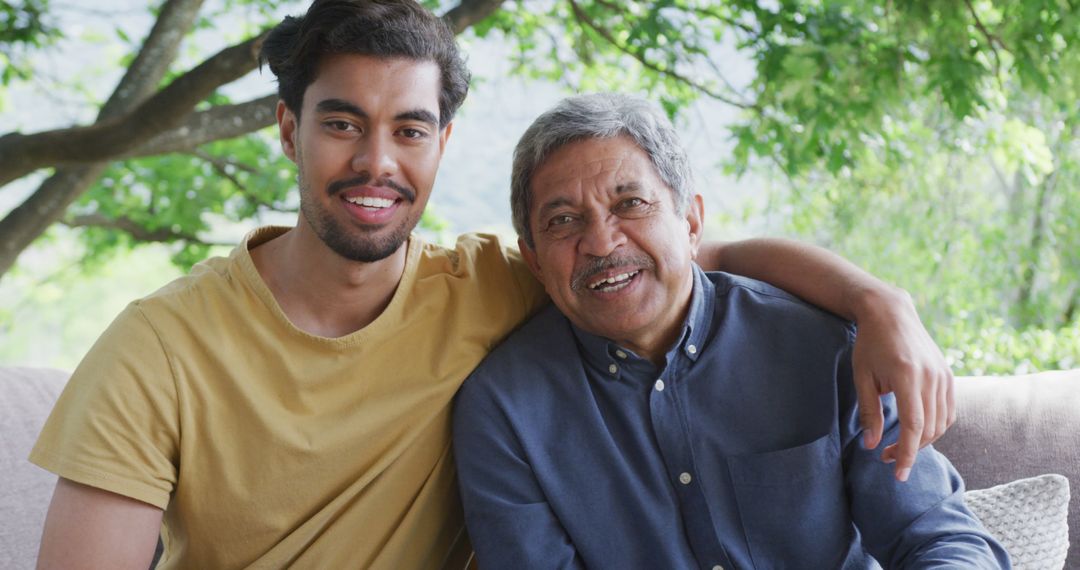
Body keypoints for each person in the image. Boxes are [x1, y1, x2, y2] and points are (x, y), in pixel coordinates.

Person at [32, 2, 954, 569]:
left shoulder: (489, 284)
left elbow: (678, 263)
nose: (376, 162)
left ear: (440, 143)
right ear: (287, 130)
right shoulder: (158, 347)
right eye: (342, 124)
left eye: (410, 129)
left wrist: (881, 304)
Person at [453, 92, 1009, 569]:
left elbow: (941, 538)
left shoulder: (823, 346)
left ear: (691, 221)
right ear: (533, 259)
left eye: (631, 203)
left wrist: (880, 301)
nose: (601, 243)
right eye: (563, 221)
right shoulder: (503, 412)